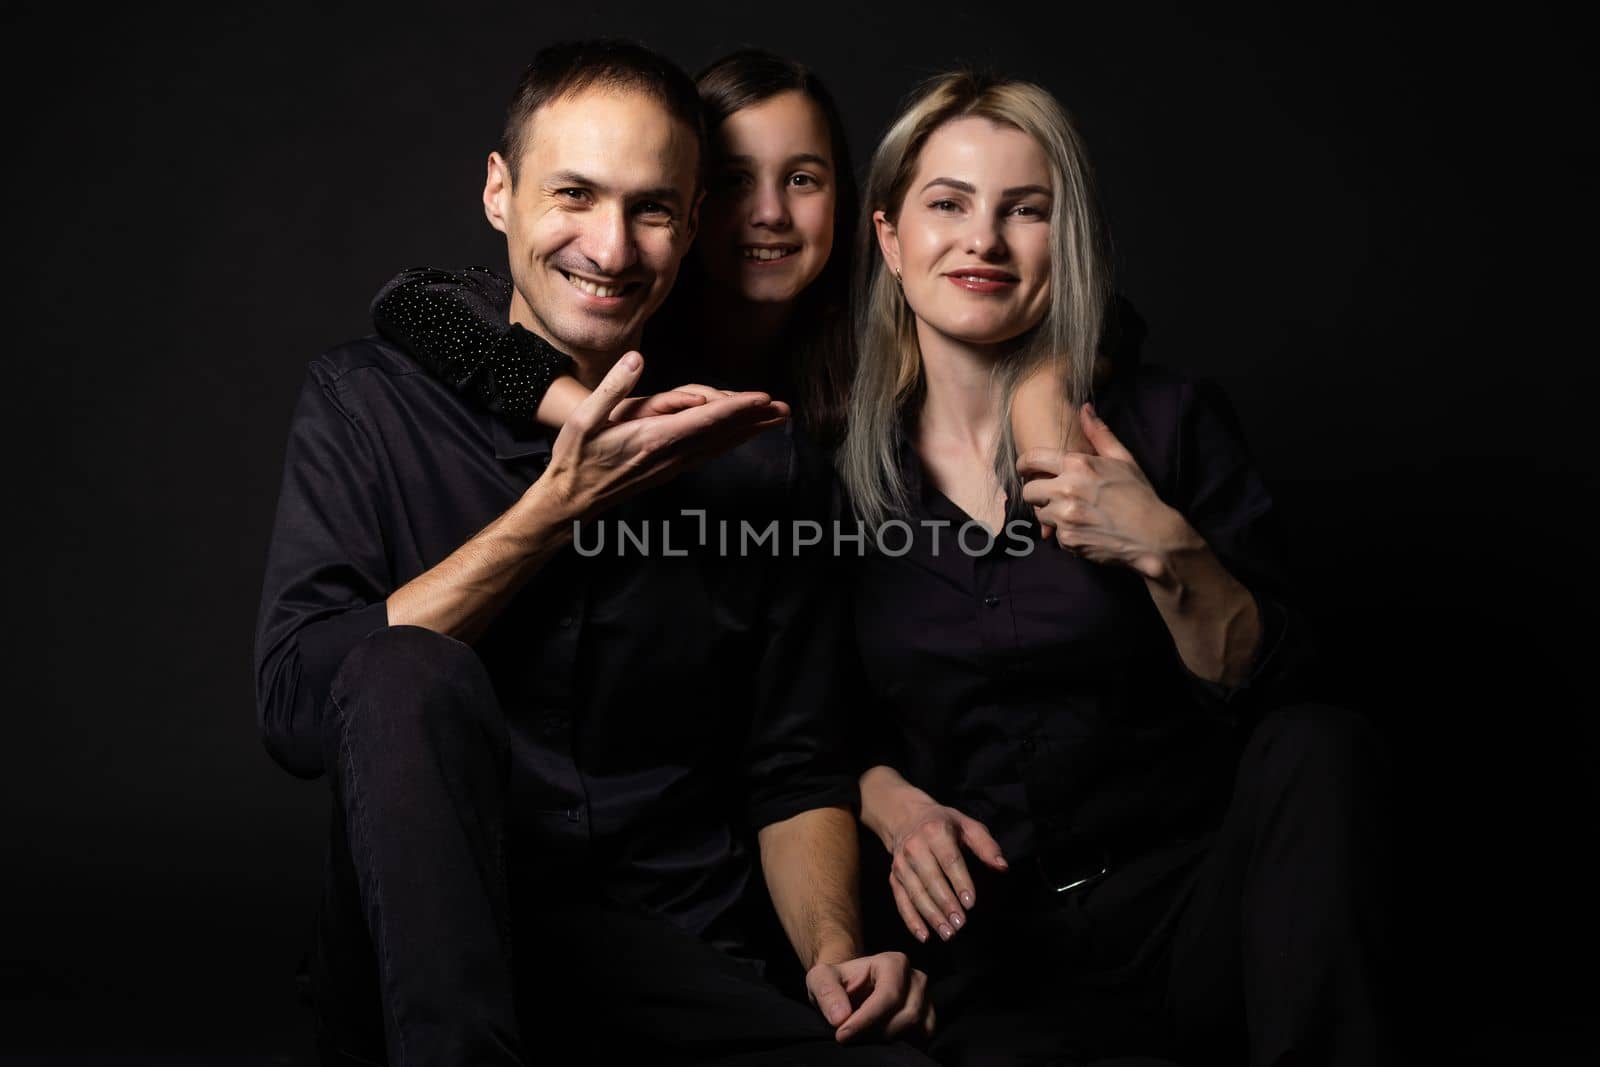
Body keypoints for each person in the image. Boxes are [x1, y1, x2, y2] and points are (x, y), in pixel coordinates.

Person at [254, 39, 934, 1066]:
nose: (610, 248)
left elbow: (792, 768)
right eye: (573, 194)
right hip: (426, 960)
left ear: (691, 223)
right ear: (499, 192)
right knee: (403, 659)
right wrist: (555, 505)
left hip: (675, 955)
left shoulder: (759, 459)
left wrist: (834, 951)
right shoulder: (367, 402)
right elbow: (302, 709)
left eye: (651, 209)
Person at [838, 70, 1392, 1066]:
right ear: (889, 237)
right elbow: (785, 732)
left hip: (1190, 913)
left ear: (1068, 236)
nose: (983, 240)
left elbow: (1296, 704)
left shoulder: (1164, 424)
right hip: (985, 952)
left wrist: (1166, 547)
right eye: (948, 204)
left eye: (1026, 210)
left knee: (1321, 738)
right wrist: (881, 788)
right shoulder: (833, 475)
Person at [370, 48, 858, 450]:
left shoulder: (877, 356)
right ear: (692, 206)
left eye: (801, 179)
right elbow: (412, 300)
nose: (768, 213)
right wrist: (594, 413)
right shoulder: (622, 331)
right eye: (734, 181)